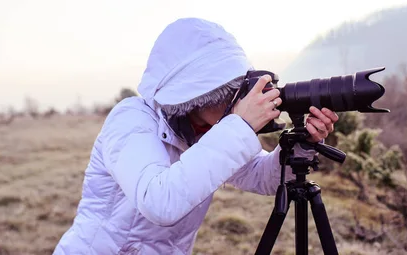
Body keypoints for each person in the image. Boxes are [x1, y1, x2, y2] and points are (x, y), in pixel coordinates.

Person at [53, 18, 338, 254]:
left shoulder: (209, 131)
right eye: (227, 91)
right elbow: (159, 201)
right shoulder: (132, 119)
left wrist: (301, 146)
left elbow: (261, 176)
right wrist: (239, 125)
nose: (235, 99)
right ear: (197, 94)